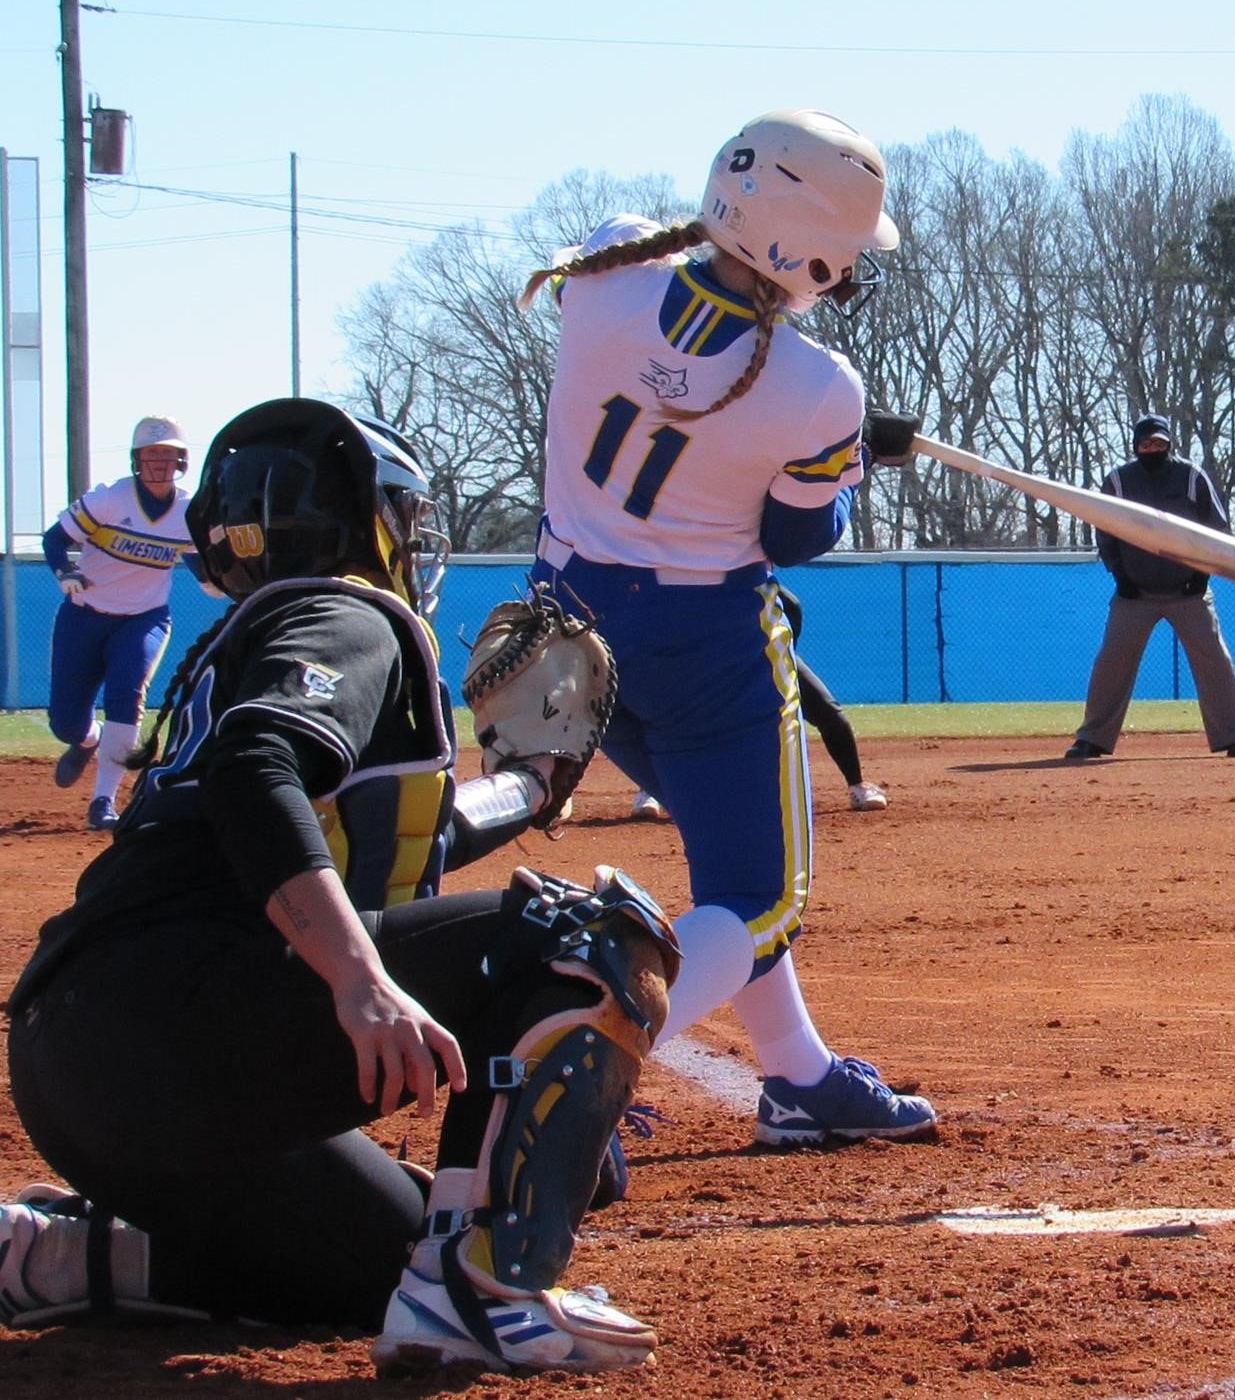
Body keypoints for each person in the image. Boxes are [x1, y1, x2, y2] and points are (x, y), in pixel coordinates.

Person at [1, 398, 678, 1375]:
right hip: (168, 1021)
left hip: (91, 1071)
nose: (411, 541)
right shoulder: (348, 611)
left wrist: (526, 786)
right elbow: (255, 769)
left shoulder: (256, 633)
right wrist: (361, 982)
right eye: (400, 516)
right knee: (589, 932)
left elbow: (365, 829)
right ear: (359, 522)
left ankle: (68, 1254)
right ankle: (480, 1299)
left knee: (384, 1265)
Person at [519, 108, 934, 1147]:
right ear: (814, 254)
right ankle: (581, 1061)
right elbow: (797, 539)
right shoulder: (817, 389)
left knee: (723, 865)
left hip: (562, 628)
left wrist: (836, 444)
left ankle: (798, 1078)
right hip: (699, 645)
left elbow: (674, 366)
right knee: (758, 902)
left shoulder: (602, 267)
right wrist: (844, 462)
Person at [1065, 414, 1235, 761]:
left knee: (1215, 659)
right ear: (1135, 446)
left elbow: (1217, 530)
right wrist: (1119, 575)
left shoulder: (1191, 477)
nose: (1152, 449)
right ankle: (1091, 738)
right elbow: (1105, 532)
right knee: (1111, 662)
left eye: (1159, 443)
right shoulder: (1118, 481)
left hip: (1188, 591)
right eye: (1146, 444)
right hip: (1134, 593)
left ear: (1170, 444)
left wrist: (1203, 574)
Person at [41, 416, 199, 831]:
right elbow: (53, 539)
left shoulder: (190, 510)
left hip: (143, 618)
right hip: (85, 615)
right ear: (136, 460)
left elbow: (203, 562)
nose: (159, 463)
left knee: (127, 695)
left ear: (181, 460)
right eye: (151, 455)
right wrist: (65, 574)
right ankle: (87, 738)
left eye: (167, 454)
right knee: (65, 722)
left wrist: (218, 581)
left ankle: (103, 802)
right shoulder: (110, 500)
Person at [630, 581, 886, 817]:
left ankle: (857, 785)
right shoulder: (689, 587)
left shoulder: (759, 584)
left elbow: (792, 608)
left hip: (768, 653)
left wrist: (783, 650)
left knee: (827, 711)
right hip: (705, 661)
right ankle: (651, 789)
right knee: (668, 716)